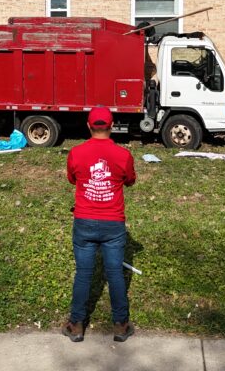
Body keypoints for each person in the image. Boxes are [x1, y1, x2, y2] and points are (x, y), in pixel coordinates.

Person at [63, 107, 137, 343]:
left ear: (88, 126)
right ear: (112, 126)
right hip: (113, 223)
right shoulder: (123, 154)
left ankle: (76, 325)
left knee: (83, 273)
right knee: (114, 273)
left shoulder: (75, 152)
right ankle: (121, 325)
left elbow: (73, 179)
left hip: (84, 221)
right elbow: (130, 181)